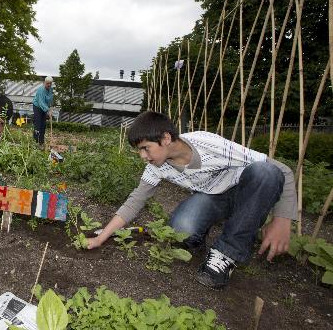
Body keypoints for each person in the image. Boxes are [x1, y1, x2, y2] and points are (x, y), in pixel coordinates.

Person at [86, 111, 297, 289]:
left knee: (265, 172)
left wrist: (282, 219)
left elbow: (281, 171)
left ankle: (226, 254)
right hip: (212, 197)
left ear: (166, 139)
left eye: (145, 148)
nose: (142, 155)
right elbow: (134, 201)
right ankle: (198, 238)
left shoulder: (209, 144)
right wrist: (101, 237)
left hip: (244, 192)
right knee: (181, 230)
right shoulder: (156, 166)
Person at [32, 76, 53, 145]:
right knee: (38, 124)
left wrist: (50, 108)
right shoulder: (40, 90)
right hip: (37, 107)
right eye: (47, 83)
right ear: (44, 83)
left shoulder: (50, 89)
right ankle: (35, 141)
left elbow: (50, 99)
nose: (49, 85)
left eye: (50, 83)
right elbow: (41, 102)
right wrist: (47, 110)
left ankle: (41, 142)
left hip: (45, 107)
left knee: (43, 125)